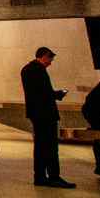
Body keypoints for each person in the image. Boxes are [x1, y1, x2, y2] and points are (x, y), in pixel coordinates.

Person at [22, 47, 74, 188]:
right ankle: (53, 176)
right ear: (44, 56)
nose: (50, 63)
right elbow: (44, 93)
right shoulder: (38, 70)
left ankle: (39, 176)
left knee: (40, 146)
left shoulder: (26, 69)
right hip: (45, 114)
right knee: (50, 146)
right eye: (50, 59)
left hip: (35, 113)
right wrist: (58, 94)